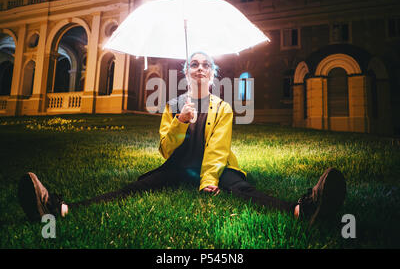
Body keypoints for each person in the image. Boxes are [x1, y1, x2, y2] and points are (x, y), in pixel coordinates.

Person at [17, 52, 346, 226]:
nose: (200, 68)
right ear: (186, 72)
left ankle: (305, 209)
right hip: (178, 167)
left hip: (214, 168)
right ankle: (57, 208)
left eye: (206, 65)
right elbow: (164, 148)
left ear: (213, 74)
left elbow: (218, 149)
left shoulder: (224, 107)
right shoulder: (174, 105)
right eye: (194, 64)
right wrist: (179, 121)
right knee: (133, 187)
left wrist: (208, 180)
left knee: (244, 189)